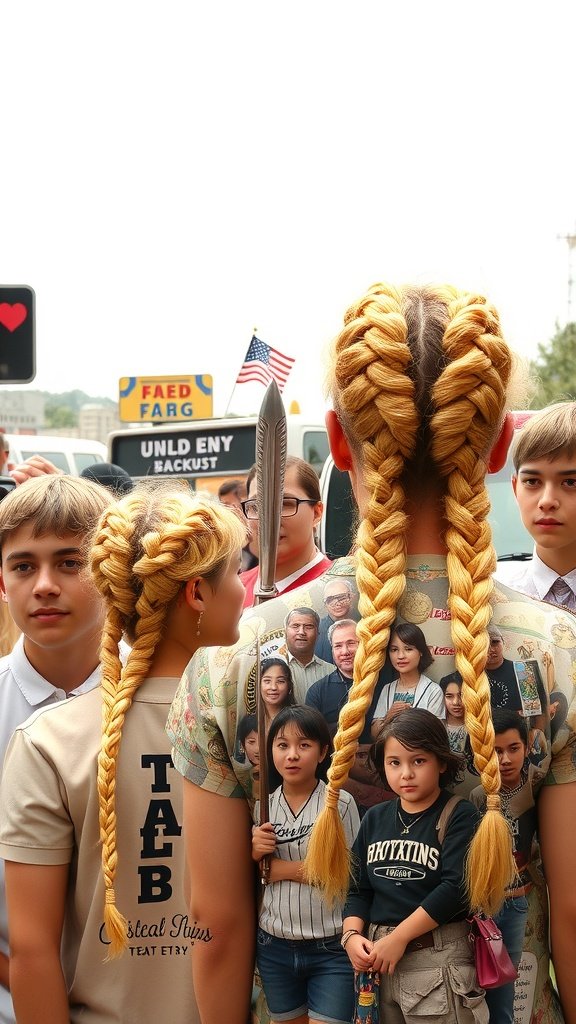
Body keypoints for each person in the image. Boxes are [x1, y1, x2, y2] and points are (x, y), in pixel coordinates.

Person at [167, 281, 576, 1024]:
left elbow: (218, 925)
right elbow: (575, 918)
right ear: (497, 445)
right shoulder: (562, 653)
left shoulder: (232, 657)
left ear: (339, 437)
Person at [0, 484, 246, 1024]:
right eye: (235, 574)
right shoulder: (257, 728)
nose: (246, 592)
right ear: (197, 594)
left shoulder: (47, 741)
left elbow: (32, 952)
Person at [0, 474, 112, 1024]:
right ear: (2, 580)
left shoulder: (174, 704)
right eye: (24, 565)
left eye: (70, 563)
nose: (44, 584)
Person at [342, 709, 487, 1023]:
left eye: (418, 761)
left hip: (436, 961)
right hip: (378, 967)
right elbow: (357, 887)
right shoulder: (375, 818)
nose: (405, 773)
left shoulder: (459, 814)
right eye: (395, 762)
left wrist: (399, 938)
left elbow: (455, 889)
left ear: (441, 762)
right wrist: (351, 936)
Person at [252, 705, 359, 1024]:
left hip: (332, 946)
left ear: (323, 751)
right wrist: (253, 853)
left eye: (304, 745)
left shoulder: (340, 803)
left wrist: (275, 869)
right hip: (274, 946)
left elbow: (345, 874)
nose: (292, 755)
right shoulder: (263, 808)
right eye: (282, 745)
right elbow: (246, 876)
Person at [470, 708, 543, 1024]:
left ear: (527, 746)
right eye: (496, 751)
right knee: (477, 985)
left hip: (517, 903)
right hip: (483, 908)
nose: (505, 759)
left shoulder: (540, 787)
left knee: (504, 990)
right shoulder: (478, 797)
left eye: (513, 748)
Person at [495, 401, 576, 609]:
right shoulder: (491, 596)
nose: (547, 501)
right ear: (515, 488)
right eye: (532, 481)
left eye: (570, 482)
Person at [239, 456, 332, 608]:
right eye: (256, 506)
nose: (268, 519)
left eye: (285, 504)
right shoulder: (234, 593)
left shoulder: (340, 590)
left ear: (316, 513)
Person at [369, 623, 445, 738]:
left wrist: (411, 717)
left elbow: (438, 736)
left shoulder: (433, 690)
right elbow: (374, 735)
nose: (400, 656)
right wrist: (388, 717)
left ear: (421, 651)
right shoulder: (387, 689)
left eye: (408, 649)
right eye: (394, 649)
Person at [284, 607, 334, 702]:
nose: (301, 632)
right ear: (286, 631)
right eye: (295, 626)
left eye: (308, 627)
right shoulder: (274, 670)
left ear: (317, 633)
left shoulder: (331, 672)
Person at [218, 478, 258, 571]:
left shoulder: (256, 526)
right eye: (223, 505)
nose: (226, 509)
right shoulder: (226, 531)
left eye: (228, 504)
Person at [315, 579, 359, 662]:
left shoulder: (365, 624)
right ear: (325, 604)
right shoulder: (316, 631)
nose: (337, 603)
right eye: (330, 600)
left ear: (352, 597)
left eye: (341, 597)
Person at [259, 656, 296, 728]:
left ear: (289, 686)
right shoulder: (249, 722)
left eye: (280, 681)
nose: (273, 687)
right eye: (267, 681)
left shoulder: (298, 720)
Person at [440, 674, 467, 753]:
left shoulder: (477, 727)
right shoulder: (437, 726)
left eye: (461, 695)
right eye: (449, 696)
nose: (456, 702)